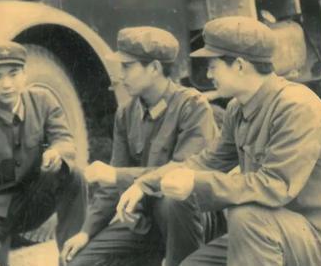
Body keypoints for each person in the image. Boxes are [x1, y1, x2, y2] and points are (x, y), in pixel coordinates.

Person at [132, 16, 321, 266]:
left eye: (213, 66)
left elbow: (274, 186)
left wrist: (196, 183)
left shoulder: (297, 108)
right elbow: (206, 161)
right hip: (269, 232)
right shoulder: (237, 108)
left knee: (246, 214)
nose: (209, 74)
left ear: (240, 65)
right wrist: (145, 183)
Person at [62, 27, 221, 266]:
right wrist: (86, 231)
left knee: (174, 199)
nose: (120, 75)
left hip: (189, 218)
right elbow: (111, 185)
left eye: (127, 66)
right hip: (147, 219)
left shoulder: (192, 106)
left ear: (154, 68)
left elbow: (186, 168)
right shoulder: (126, 113)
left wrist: (121, 177)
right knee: (79, 261)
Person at [0, 42, 87, 266]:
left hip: (35, 200)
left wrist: (57, 153)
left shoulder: (43, 101)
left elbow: (64, 139)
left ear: (24, 75)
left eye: (13, 74)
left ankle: (75, 259)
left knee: (73, 176)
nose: (7, 84)